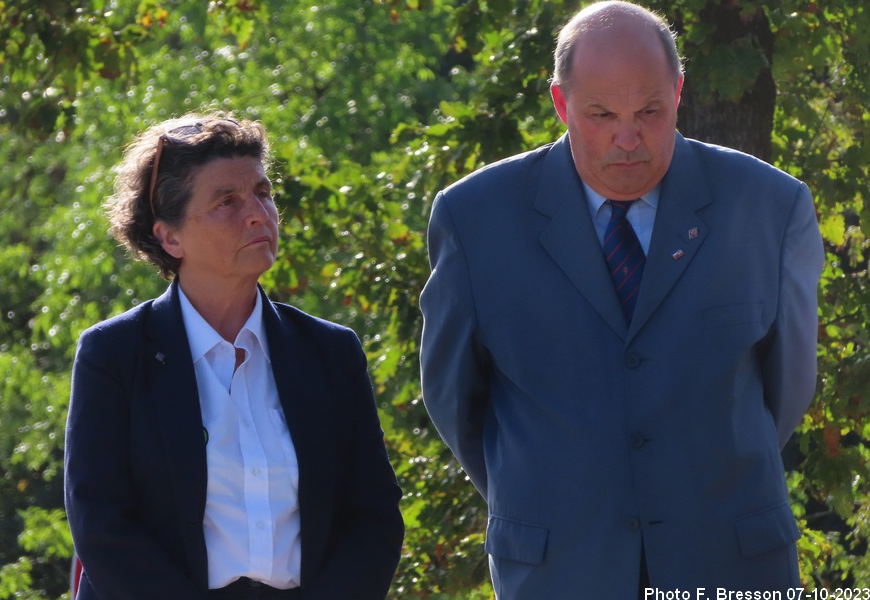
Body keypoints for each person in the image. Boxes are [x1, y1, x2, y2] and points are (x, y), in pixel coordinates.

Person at [419, 1, 824, 598]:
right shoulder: (476, 218)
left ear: (679, 92)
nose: (628, 138)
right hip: (558, 571)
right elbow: (458, 403)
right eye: (602, 114)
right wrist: (551, 499)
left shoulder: (770, 208)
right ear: (561, 104)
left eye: (650, 111)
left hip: (729, 564)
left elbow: (785, 389)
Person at [64, 114, 404, 600]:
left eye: (263, 194)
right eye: (226, 201)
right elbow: (101, 523)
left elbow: (373, 517)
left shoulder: (330, 352)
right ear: (169, 237)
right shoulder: (115, 354)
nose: (256, 214)